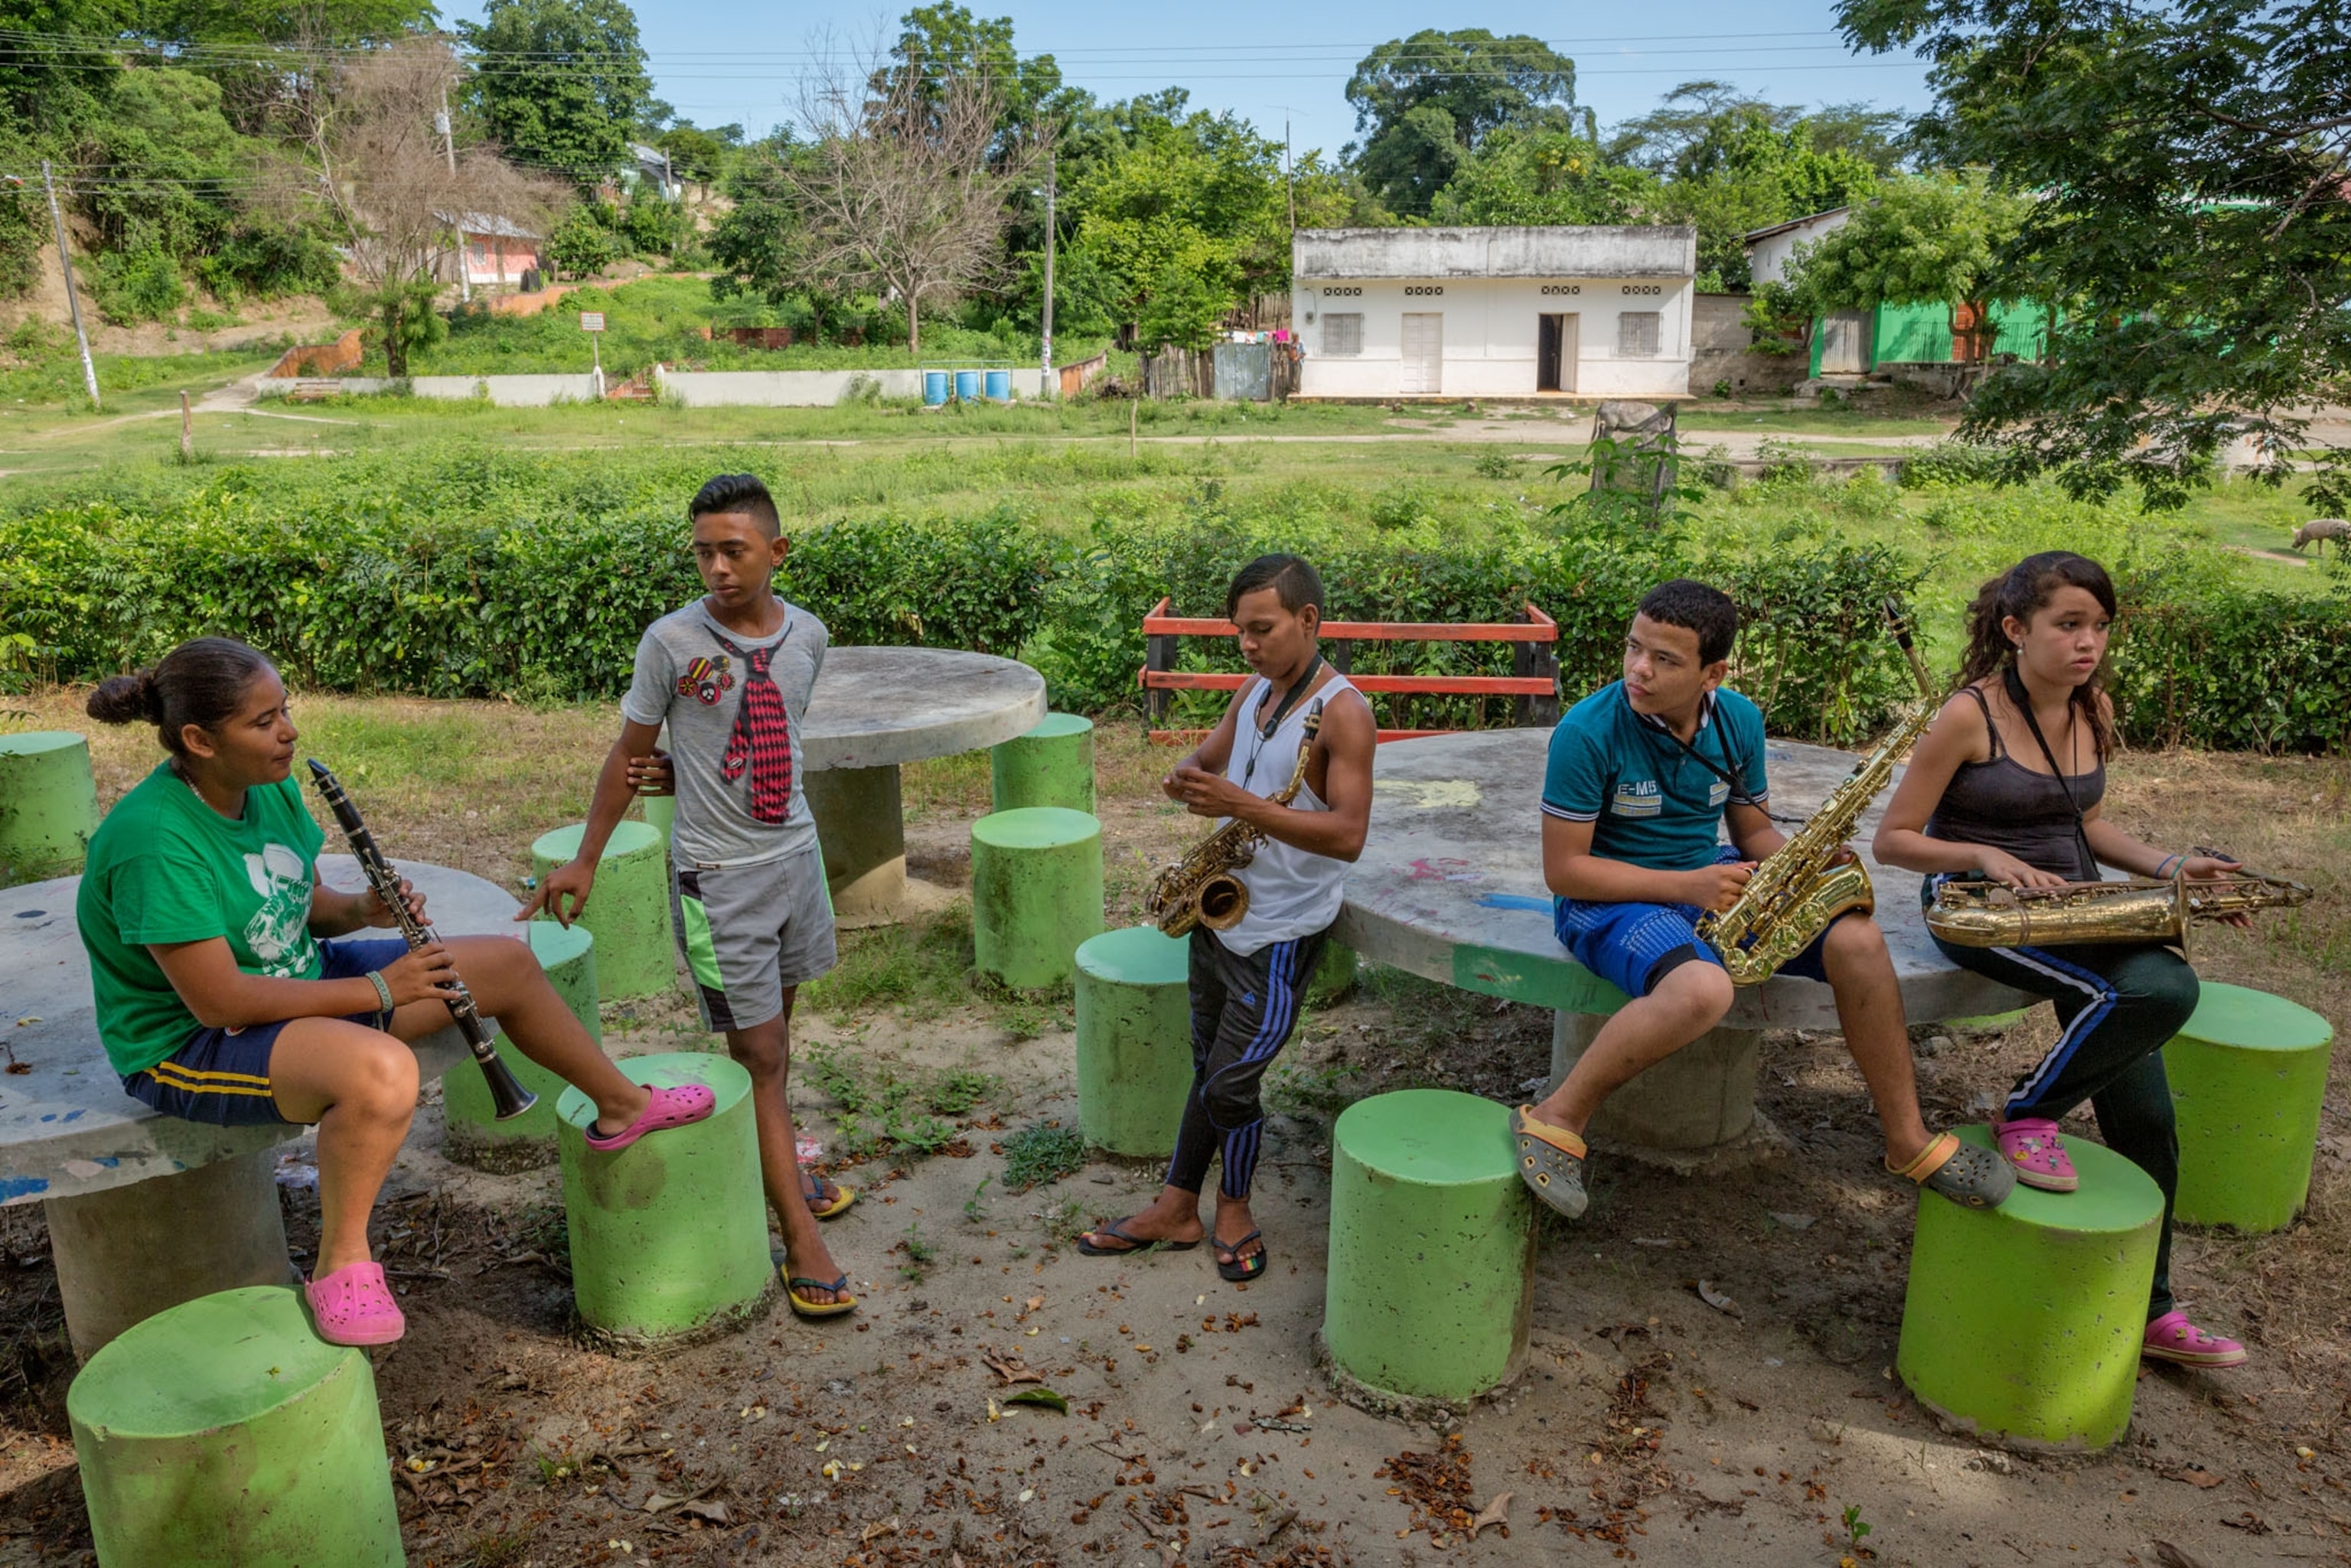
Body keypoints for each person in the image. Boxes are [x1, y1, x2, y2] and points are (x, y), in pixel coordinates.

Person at [77, 637, 713, 1349]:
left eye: (284, 709)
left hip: (297, 977)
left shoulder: (270, 785)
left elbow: (297, 899)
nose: (287, 730)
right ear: (198, 740)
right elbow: (219, 1001)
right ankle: (340, 1263)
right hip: (186, 1041)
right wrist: (379, 987)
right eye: (262, 722)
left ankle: (622, 1105)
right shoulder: (154, 840)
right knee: (383, 1073)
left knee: (505, 965)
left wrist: (358, 912)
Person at [1512, 580, 2014, 1220]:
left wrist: (1800, 857)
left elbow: (1750, 833)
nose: (1640, 669)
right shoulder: (1587, 731)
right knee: (1703, 990)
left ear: (1712, 671)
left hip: (1707, 878)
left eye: (1666, 660)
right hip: (1606, 896)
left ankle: (1907, 1139)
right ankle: (1555, 1116)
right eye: (1635, 648)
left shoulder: (1739, 720)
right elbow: (1566, 870)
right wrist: (1686, 886)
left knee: (1859, 938)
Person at [1873, 551, 2246, 1368]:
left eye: (2100, 627)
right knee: (2158, 994)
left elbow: (2090, 827)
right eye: (2069, 625)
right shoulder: (1967, 716)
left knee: (2149, 1111)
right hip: (1979, 912)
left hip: (2072, 907)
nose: (2088, 644)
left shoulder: (2091, 707)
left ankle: (2153, 1311)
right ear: (2016, 630)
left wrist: (2171, 866)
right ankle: (2028, 1113)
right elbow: (1893, 840)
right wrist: (1982, 853)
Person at [525, 474, 856, 1319]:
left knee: (776, 1037)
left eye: (734, 550)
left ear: (777, 553)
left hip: (797, 860)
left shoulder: (809, 636)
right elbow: (627, 753)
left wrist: (695, 769)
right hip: (721, 879)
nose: (716, 567)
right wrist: (587, 858)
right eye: (703, 551)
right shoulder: (671, 643)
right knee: (765, 1054)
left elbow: (765, 730)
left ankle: (771, 1147)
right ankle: (796, 1231)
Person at [1078, 554, 1375, 1282]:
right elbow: (1210, 759)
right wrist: (1185, 774)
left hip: (1279, 931)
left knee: (1230, 1083)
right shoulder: (1257, 688)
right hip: (1219, 912)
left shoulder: (1343, 711)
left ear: (1308, 620)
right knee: (1209, 1067)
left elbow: (1348, 835)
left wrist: (1239, 805)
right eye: (1239, 630)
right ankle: (1178, 1207)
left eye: (1262, 628)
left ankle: (1233, 1207)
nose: (1247, 643)